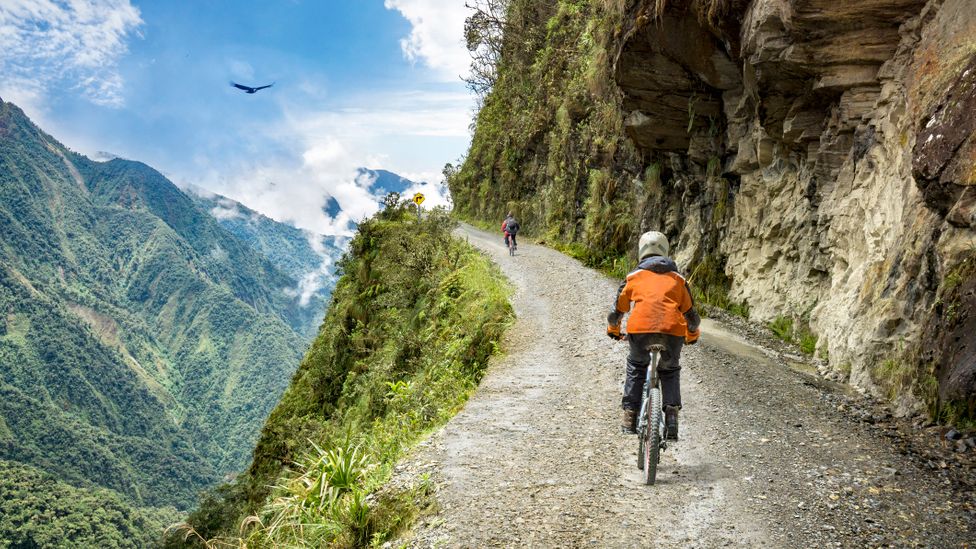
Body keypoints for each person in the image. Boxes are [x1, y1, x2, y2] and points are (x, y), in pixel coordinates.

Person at [607, 230, 701, 440]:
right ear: (666, 252)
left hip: (640, 332)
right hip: (672, 333)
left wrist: (613, 329)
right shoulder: (678, 280)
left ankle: (629, 417)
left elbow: (617, 312)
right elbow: (692, 317)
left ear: (641, 252)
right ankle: (672, 418)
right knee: (670, 370)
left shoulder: (633, 277)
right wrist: (692, 334)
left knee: (636, 367)